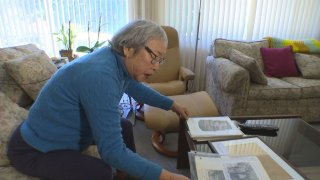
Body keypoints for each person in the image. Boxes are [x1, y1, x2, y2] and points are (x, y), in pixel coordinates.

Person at [7, 19, 190, 180]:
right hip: (34, 150)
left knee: (125, 126)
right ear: (129, 48)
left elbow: (136, 89)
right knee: (100, 172)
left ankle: (126, 173)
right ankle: (128, 170)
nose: (157, 66)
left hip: (68, 132)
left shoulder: (115, 59)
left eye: (161, 60)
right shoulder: (100, 75)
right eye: (154, 57)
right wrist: (165, 176)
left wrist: (172, 105)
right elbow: (111, 152)